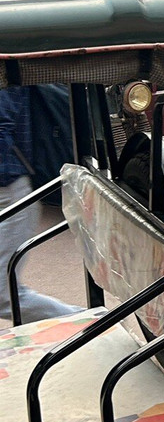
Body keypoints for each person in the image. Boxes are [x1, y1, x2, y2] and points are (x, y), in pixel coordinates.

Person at [0, 87, 80, 323]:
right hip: (10, 185)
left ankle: (90, 323)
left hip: (10, 190)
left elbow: (3, 130)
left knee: (4, 296)